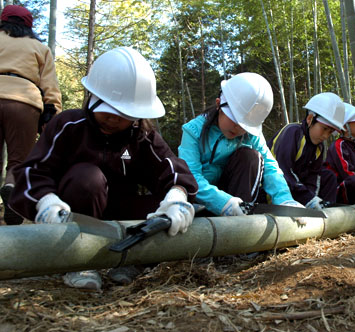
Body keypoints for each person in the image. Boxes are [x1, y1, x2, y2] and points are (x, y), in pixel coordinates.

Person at [8, 47, 198, 290]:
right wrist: (46, 203)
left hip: (123, 215)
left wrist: (177, 196)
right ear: (93, 97)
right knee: (88, 178)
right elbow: (31, 172)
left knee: (165, 210)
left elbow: (172, 169)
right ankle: (78, 261)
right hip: (76, 213)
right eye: (108, 110)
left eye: (124, 113)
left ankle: (135, 259)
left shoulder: (142, 136)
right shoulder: (68, 126)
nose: (114, 119)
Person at [178, 72, 304, 217]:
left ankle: (242, 219)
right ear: (219, 104)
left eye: (245, 125)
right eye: (235, 120)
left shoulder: (251, 134)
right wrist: (222, 202)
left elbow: (270, 166)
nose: (238, 128)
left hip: (237, 202)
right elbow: (191, 176)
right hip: (201, 199)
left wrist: (284, 199)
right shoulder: (193, 130)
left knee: (250, 156)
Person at [0, 5, 62, 225]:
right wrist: (51, 116)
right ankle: (12, 192)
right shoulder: (39, 48)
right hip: (24, 101)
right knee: (18, 162)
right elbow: (50, 87)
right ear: (29, 26)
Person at [267, 92, 345, 209]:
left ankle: (328, 212)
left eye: (330, 132)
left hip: (297, 189)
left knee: (328, 176)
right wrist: (307, 198)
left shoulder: (319, 147)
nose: (325, 136)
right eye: (324, 129)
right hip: (274, 189)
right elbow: (283, 170)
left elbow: (314, 176)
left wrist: (312, 198)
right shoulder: (292, 132)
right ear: (310, 119)